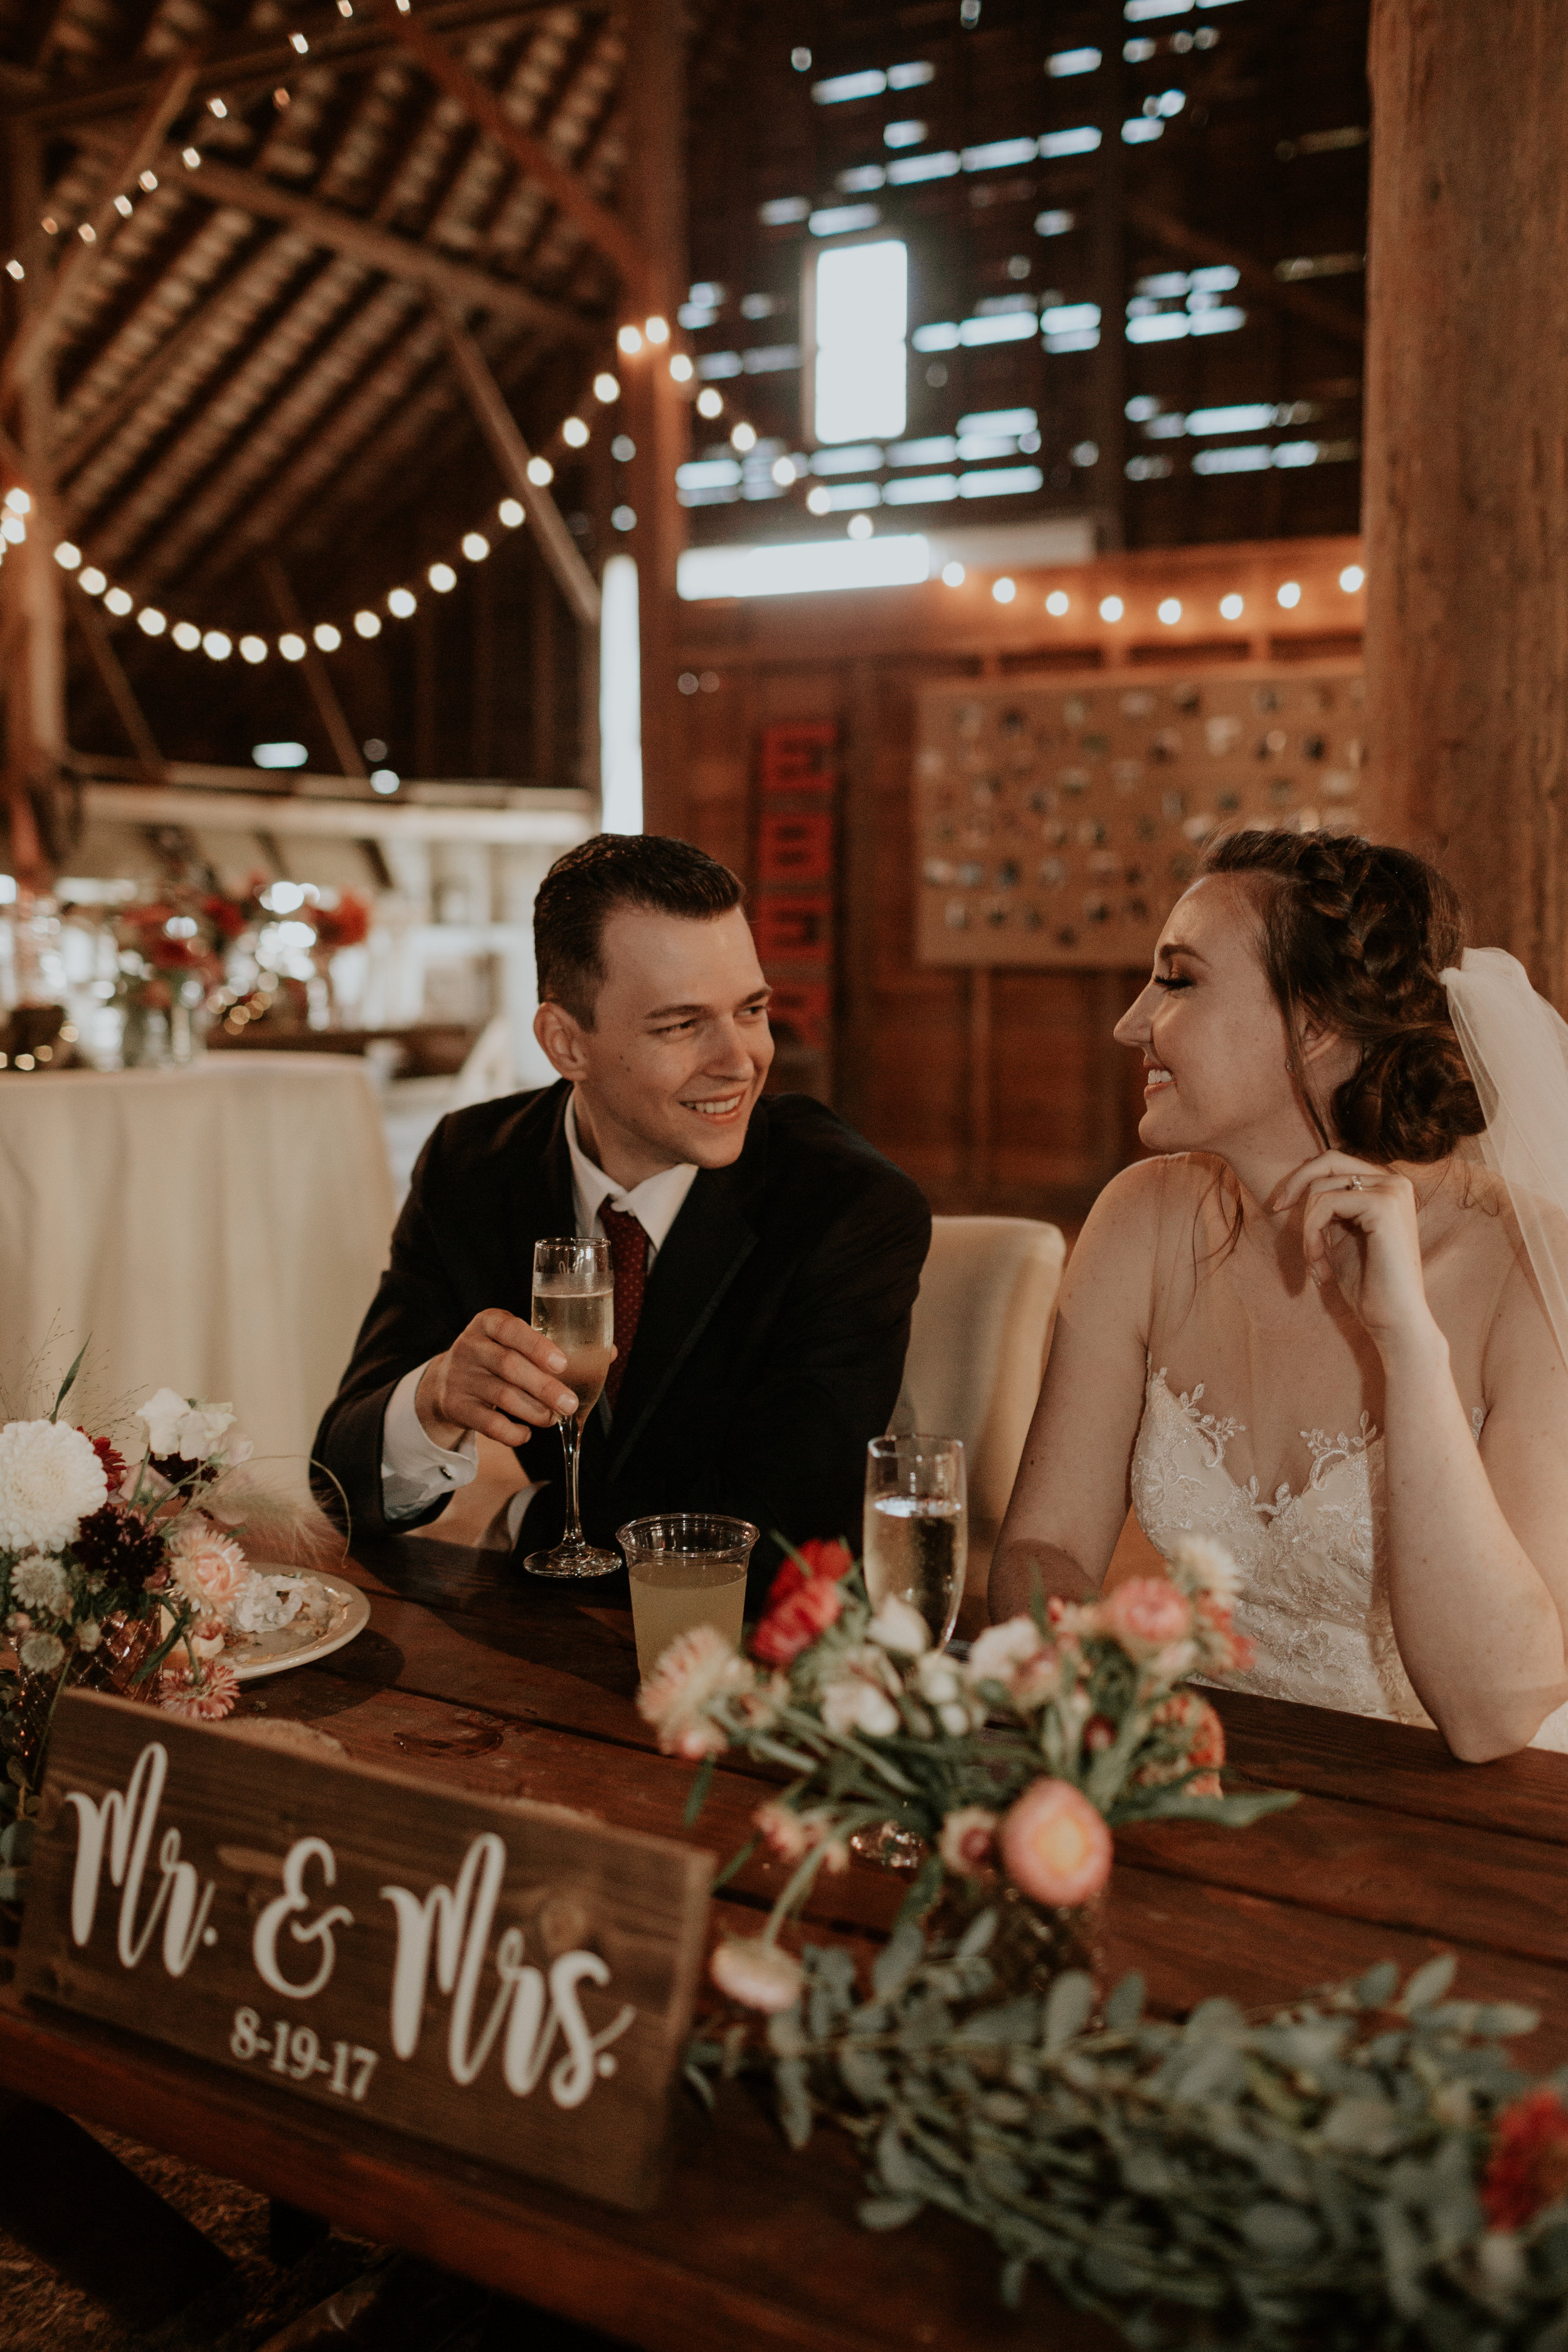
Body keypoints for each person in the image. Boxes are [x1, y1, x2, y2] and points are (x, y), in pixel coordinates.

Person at [990, 827, 1568, 1759]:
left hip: (1461, 1808)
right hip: (1206, 1769)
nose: (1131, 1021)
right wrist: (1108, 1717)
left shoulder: (1532, 1273)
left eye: (1177, 980)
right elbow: (1041, 1550)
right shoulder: (1141, 1219)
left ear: (1317, 1025)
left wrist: (1410, 1347)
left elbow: (1495, 1716)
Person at [315, 833, 930, 1604]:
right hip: (523, 1670)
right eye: (681, 1025)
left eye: (751, 1009)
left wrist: (509, 1521)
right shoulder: (471, 1164)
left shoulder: (846, 1203)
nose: (738, 1059)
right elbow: (339, 1481)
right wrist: (434, 1397)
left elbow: (780, 1543)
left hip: (763, 1675)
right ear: (565, 1043)